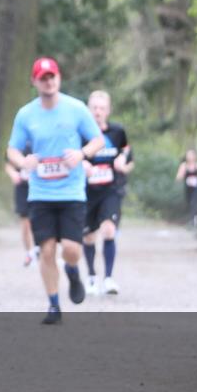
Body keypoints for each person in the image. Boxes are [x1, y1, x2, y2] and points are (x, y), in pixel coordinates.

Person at [7, 58, 103, 325]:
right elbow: (12, 149)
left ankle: (72, 271)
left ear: (58, 78)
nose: (49, 82)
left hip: (71, 193)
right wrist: (22, 162)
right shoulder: (26, 114)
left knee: (71, 249)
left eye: (52, 77)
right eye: (43, 78)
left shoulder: (76, 109)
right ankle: (53, 305)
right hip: (40, 194)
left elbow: (97, 140)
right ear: (34, 81)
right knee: (47, 251)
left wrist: (82, 153)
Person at [81, 90, 134, 296]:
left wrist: (123, 163)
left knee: (109, 230)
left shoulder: (117, 132)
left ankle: (109, 278)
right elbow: (73, 156)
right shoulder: (82, 133)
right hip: (87, 192)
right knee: (88, 237)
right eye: (94, 107)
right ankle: (92, 277)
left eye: (102, 108)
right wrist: (83, 164)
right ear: (88, 109)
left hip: (110, 190)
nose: (98, 112)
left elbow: (127, 155)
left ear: (108, 110)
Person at [4, 150, 38, 266]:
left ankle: (40, 249)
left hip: (41, 187)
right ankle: (30, 253)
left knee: (41, 221)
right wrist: (13, 174)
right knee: (25, 223)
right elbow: (8, 165)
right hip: (23, 188)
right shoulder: (18, 142)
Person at [176, 149, 197, 226]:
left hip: (196, 187)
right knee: (189, 203)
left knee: (194, 203)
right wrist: (183, 172)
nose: (189, 157)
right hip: (188, 188)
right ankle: (194, 218)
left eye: (191, 155)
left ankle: (193, 221)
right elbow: (178, 178)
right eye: (188, 155)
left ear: (195, 156)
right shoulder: (184, 165)